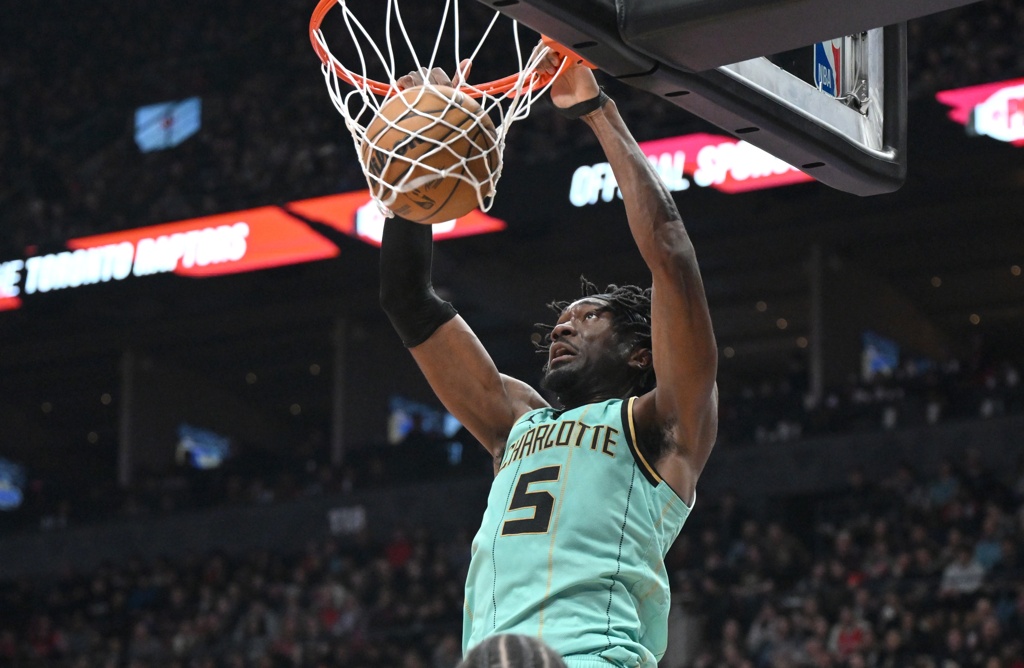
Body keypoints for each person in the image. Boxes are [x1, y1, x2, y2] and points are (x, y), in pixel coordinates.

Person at [379, 46, 718, 667]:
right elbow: (408, 300)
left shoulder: (660, 424)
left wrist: (594, 108)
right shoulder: (515, 422)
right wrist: (414, 159)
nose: (564, 323)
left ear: (640, 353)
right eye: (564, 318)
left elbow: (670, 254)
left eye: (589, 318)